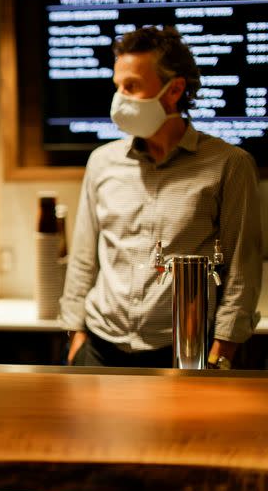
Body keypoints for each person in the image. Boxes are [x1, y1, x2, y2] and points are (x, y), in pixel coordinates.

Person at [60, 27, 262, 369]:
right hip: (98, 350)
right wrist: (75, 338)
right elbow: (83, 259)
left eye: (132, 86)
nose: (119, 98)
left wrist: (220, 353)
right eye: (118, 87)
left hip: (182, 354)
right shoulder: (102, 162)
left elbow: (242, 270)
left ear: (175, 90)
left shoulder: (229, 165)